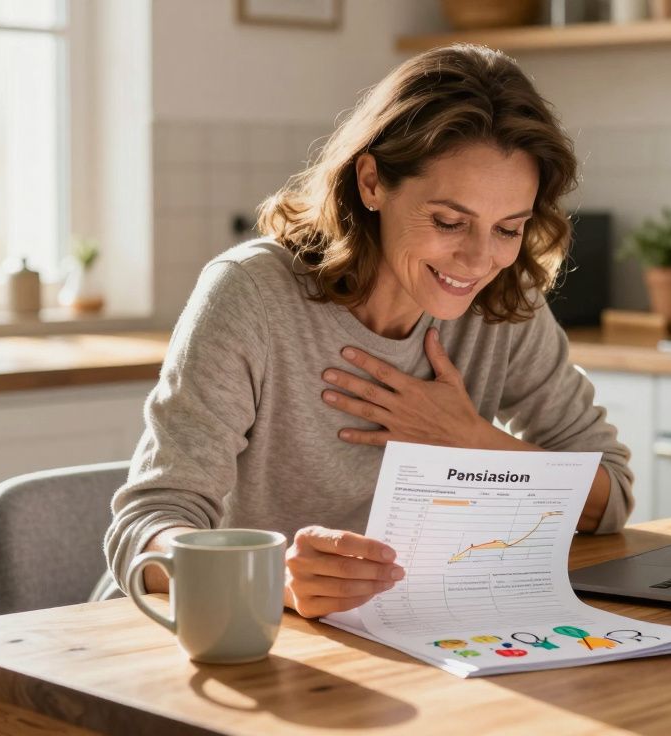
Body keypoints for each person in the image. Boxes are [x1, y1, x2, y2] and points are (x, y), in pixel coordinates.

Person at [103, 43, 634, 619]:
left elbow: (609, 496)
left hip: (389, 634)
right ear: (372, 181)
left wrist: (469, 440)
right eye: (449, 221)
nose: (478, 261)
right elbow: (145, 531)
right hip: (209, 632)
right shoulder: (251, 294)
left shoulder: (504, 303)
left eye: (508, 228)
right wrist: (274, 577)